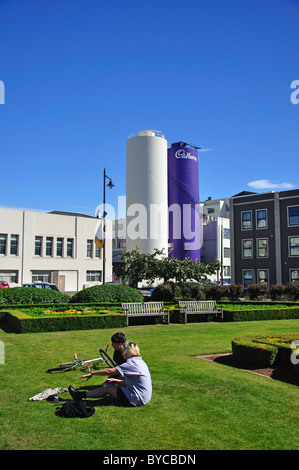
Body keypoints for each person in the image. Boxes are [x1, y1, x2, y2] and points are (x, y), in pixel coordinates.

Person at [68, 341, 152, 407]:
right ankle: (81, 395)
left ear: (127, 352)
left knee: (108, 388)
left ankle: (79, 395)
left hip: (138, 399)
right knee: (114, 385)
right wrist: (118, 381)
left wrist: (93, 373)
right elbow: (135, 383)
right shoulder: (140, 361)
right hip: (144, 397)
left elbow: (109, 371)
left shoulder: (131, 364)